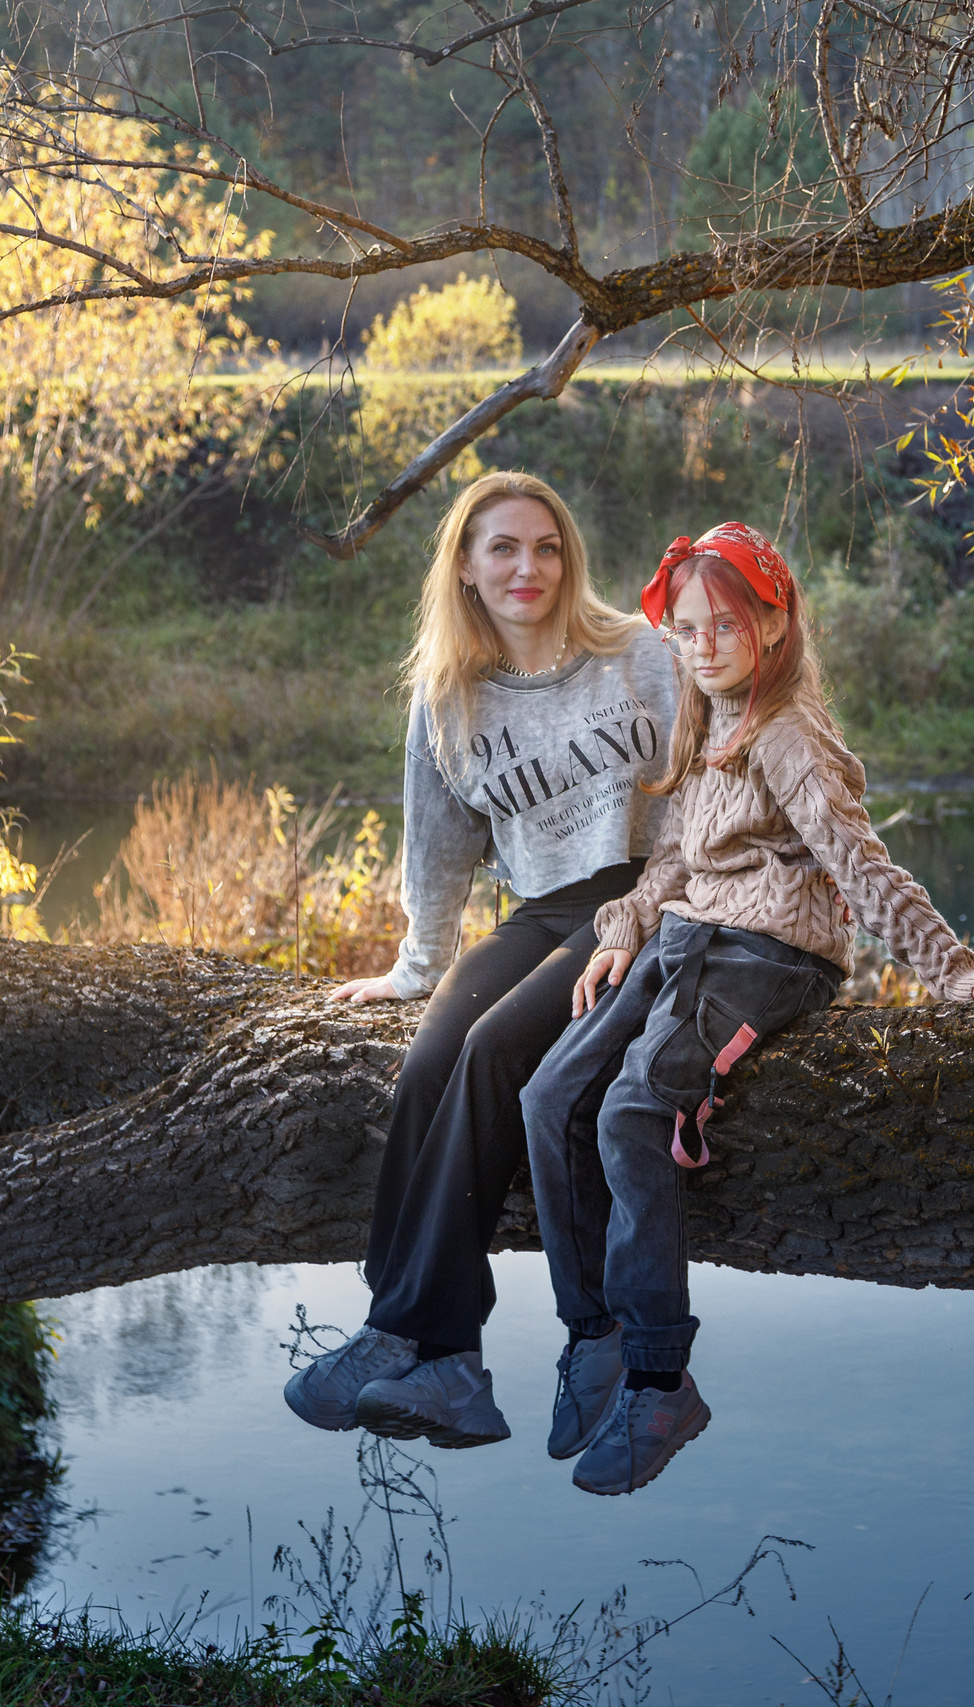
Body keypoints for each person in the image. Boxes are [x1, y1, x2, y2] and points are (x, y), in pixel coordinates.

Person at [519, 522, 974, 1497]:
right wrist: (625, 924)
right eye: (685, 627)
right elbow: (677, 855)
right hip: (685, 936)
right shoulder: (707, 719)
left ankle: (659, 1378)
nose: (703, 642)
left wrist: (955, 972)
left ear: (772, 622)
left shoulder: (791, 736)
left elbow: (861, 863)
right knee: (548, 1097)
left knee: (634, 1114)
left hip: (766, 957)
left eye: (724, 623)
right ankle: (591, 1331)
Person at [283, 471, 678, 1450]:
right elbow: (440, 849)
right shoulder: (448, 696)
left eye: (545, 547)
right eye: (502, 547)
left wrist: (657, 904)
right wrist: (417, 967)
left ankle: (400, 1338)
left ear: (568, 558)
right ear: (463, 565)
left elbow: (703, 804)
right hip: (541, 911)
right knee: (427, 1063)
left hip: (644, 899)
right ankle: (438, 1355)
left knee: (498, 1052)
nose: (527, 567)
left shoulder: (639, 653)